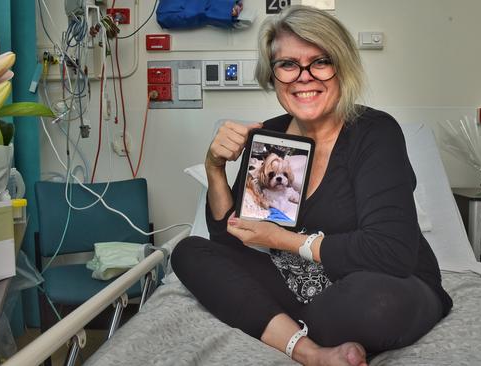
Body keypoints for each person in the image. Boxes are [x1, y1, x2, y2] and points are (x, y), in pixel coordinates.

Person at [171, 5, 453, 366]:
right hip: (300, 283)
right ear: (273, 76)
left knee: (374, 303)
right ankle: (310, 351)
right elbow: (229, 238)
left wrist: (279, 240)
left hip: (385, 282)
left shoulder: (374, 133)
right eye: (288, 64)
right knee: (190, 252)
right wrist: (215, 167)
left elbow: (391, 252)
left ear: (342, 68)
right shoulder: (269, 137)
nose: (303, 76)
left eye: (320, 61)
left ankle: (271, 318)